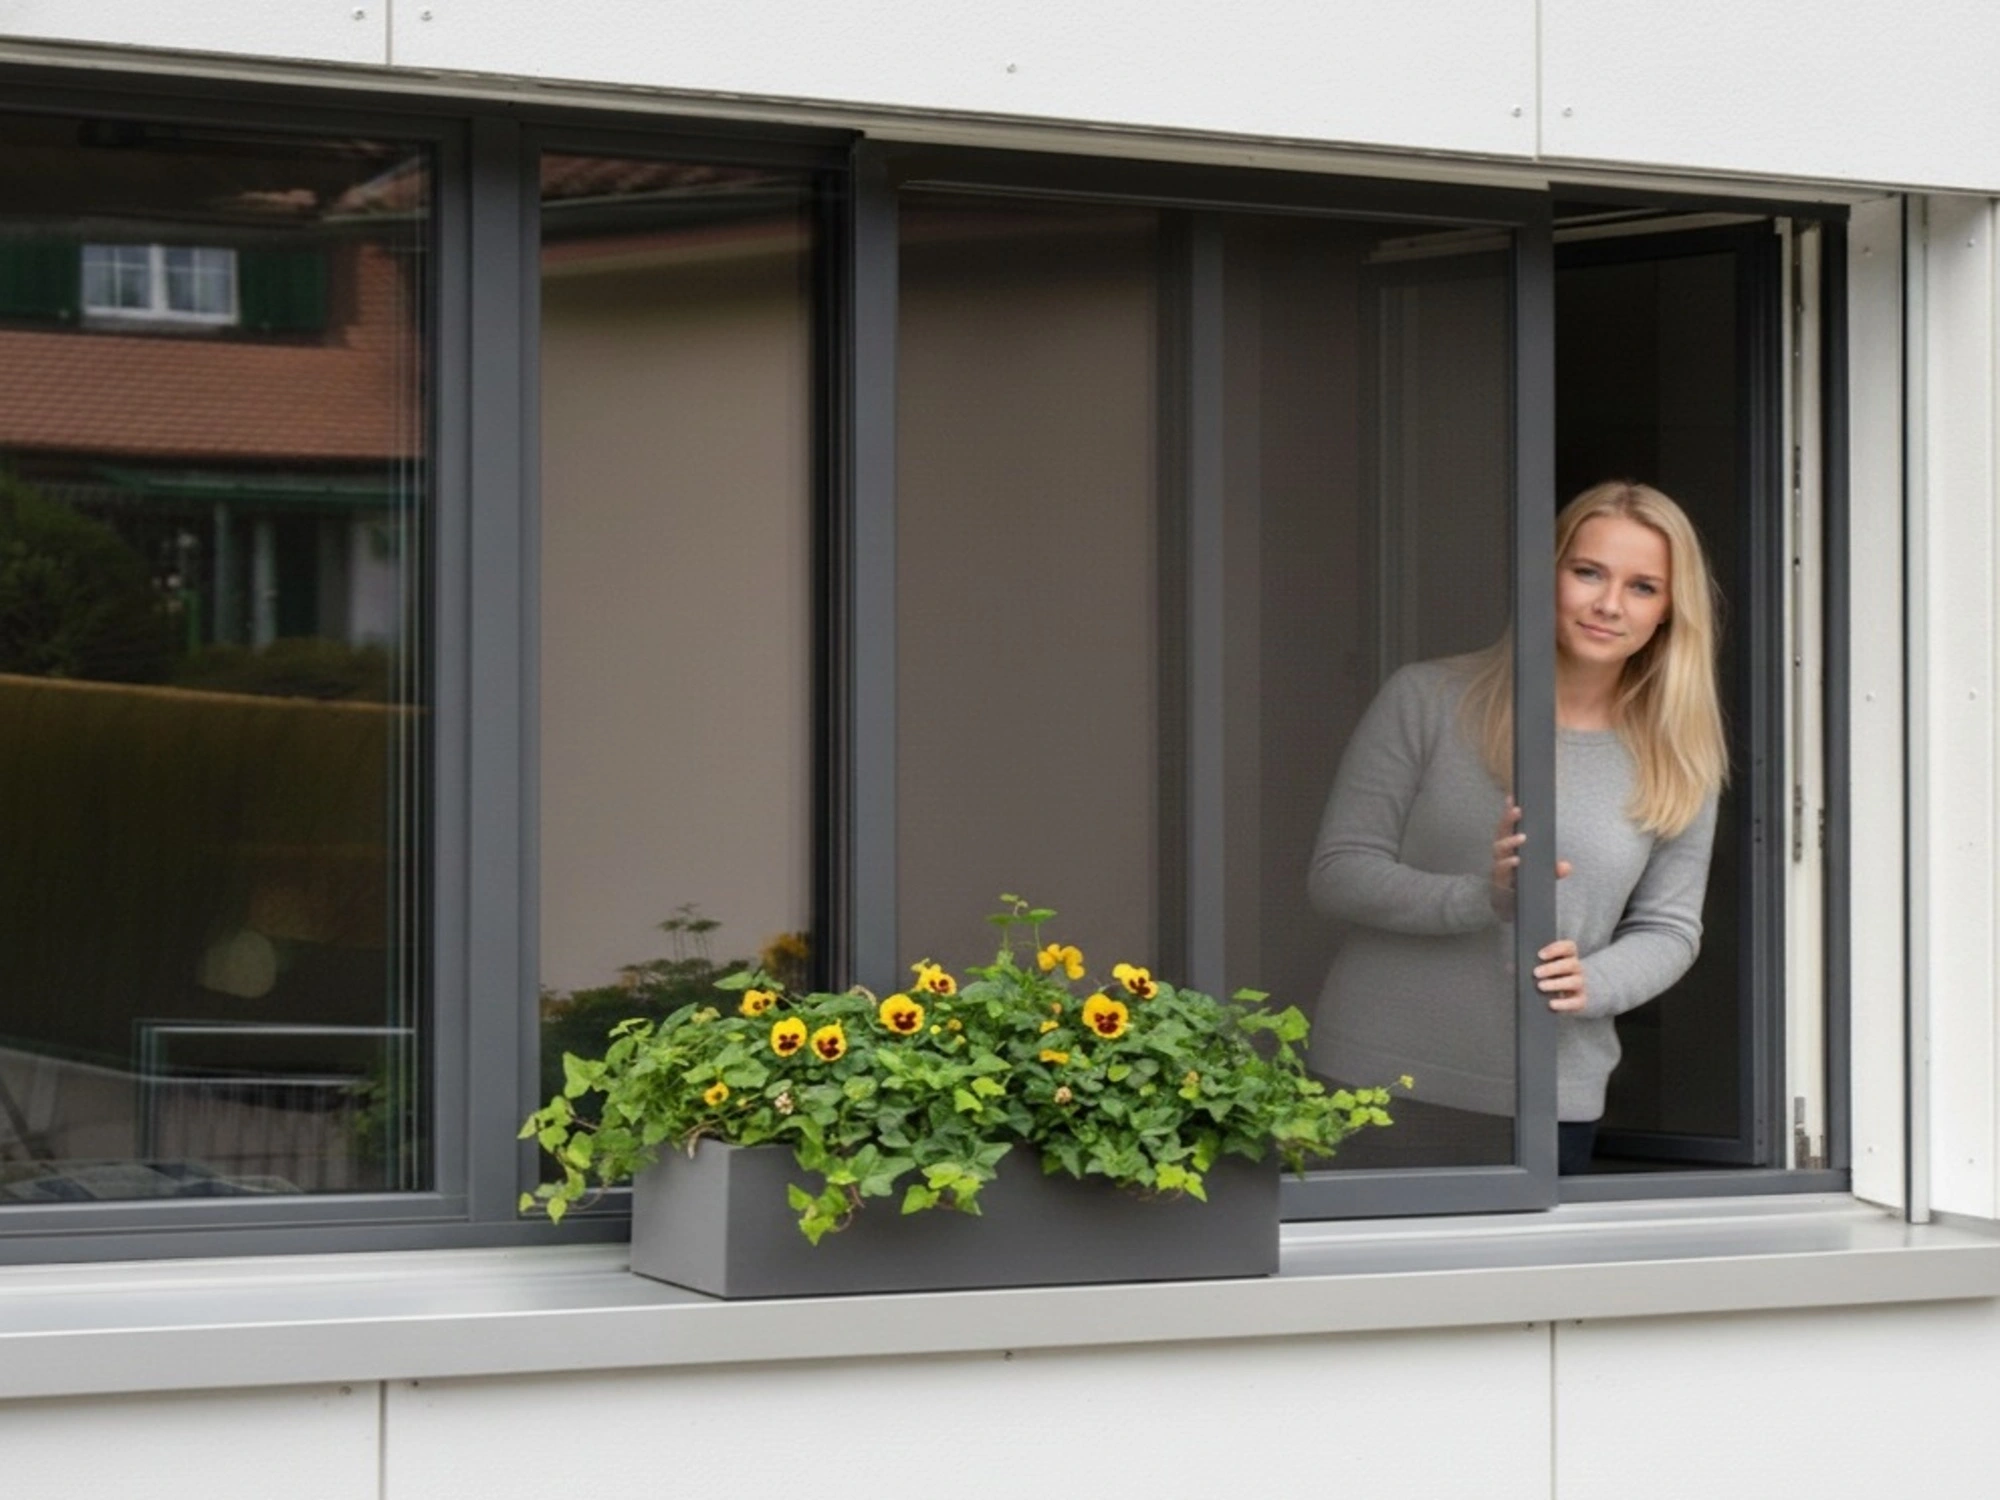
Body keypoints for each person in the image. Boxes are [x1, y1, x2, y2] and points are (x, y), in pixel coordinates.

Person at [1307, 480, 1727, 1175]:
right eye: (1587, 572)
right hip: (1376, 1078)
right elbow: (1338, 872)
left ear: (1669, 612)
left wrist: (1595, 984)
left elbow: (1670, 929)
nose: (1608, 604)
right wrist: (1483, 897)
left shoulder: (1679, 756)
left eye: (1643, 586)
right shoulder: (1428, 698)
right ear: (1548, 574)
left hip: (1547, 1093)